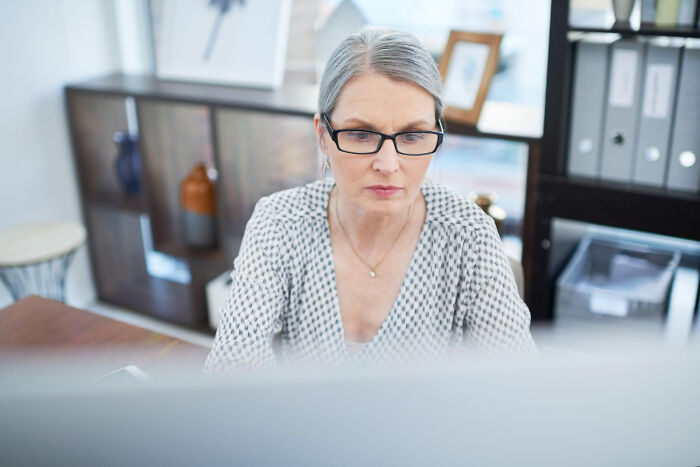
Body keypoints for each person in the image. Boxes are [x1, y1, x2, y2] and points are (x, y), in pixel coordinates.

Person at [205, 26, 536, 373]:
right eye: (361, 134)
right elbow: (230, 371)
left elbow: (519, 388)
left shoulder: (468, 236)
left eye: (412, 136)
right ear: (323, 136)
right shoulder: (280, 224)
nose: (389, 165)